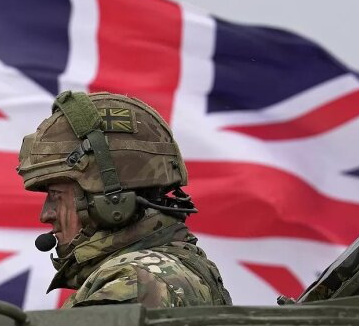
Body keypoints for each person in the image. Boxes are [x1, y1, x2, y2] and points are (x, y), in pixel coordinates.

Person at [17, 90, 232, 308]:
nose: (45, 215)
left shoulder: (135, 282)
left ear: (112, 200)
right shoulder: (164, 269)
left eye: (56, 196)